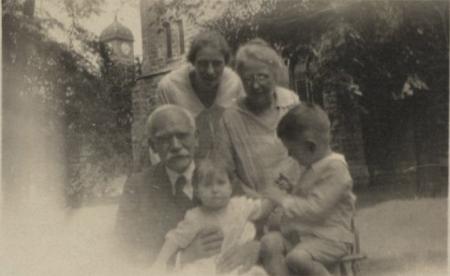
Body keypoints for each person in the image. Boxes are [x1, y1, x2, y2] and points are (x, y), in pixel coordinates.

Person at [115, 105, 259, 273]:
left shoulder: (220, 174)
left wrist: (255, 246)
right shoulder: (138, 186)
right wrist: (183, 257)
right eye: (165, 139)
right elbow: (125, 249)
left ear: (196, 138)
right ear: (153, 146)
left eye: (182, 136)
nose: (176, 145)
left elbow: (255, 217)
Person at [260, 103, 356, 276]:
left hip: (329, 239)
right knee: (268, 243)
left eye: (291, 150)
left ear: (310, 146)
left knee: (296, 259)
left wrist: (282, 199)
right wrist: (290, 190)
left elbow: (315, 208)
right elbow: (306, 196)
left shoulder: (336, 169)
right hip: (305, 236)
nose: (290, 155)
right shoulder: (310, 166)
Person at [152, 158, 272, 276]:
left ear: (230, 187)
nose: (215, 190)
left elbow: (264, 207)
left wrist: (281, 199)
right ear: (198, 192)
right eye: (207, 185)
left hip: (237, 262)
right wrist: (160, 262)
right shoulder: (195, 216)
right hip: (208, 267)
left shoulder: (240, 205)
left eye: (221, 183)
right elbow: (175, 239)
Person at [214, 38, 301, 197]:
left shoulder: (291, 103)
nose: (255, 85)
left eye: (262, 76)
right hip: (255, 206)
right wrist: (260, 204)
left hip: (297, 199)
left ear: (274, 75)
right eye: (248, 79)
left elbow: (307, 155)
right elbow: (227, 173)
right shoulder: (230, 119)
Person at [155, 31, 245, 160]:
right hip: (184, 161)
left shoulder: (233, 82)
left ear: (225, 63)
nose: (210, 71)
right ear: (192, 62)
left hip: (226, 163)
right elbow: (161, 136)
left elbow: (242, 129)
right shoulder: (169, 86)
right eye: (203, 63)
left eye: (217, 63)